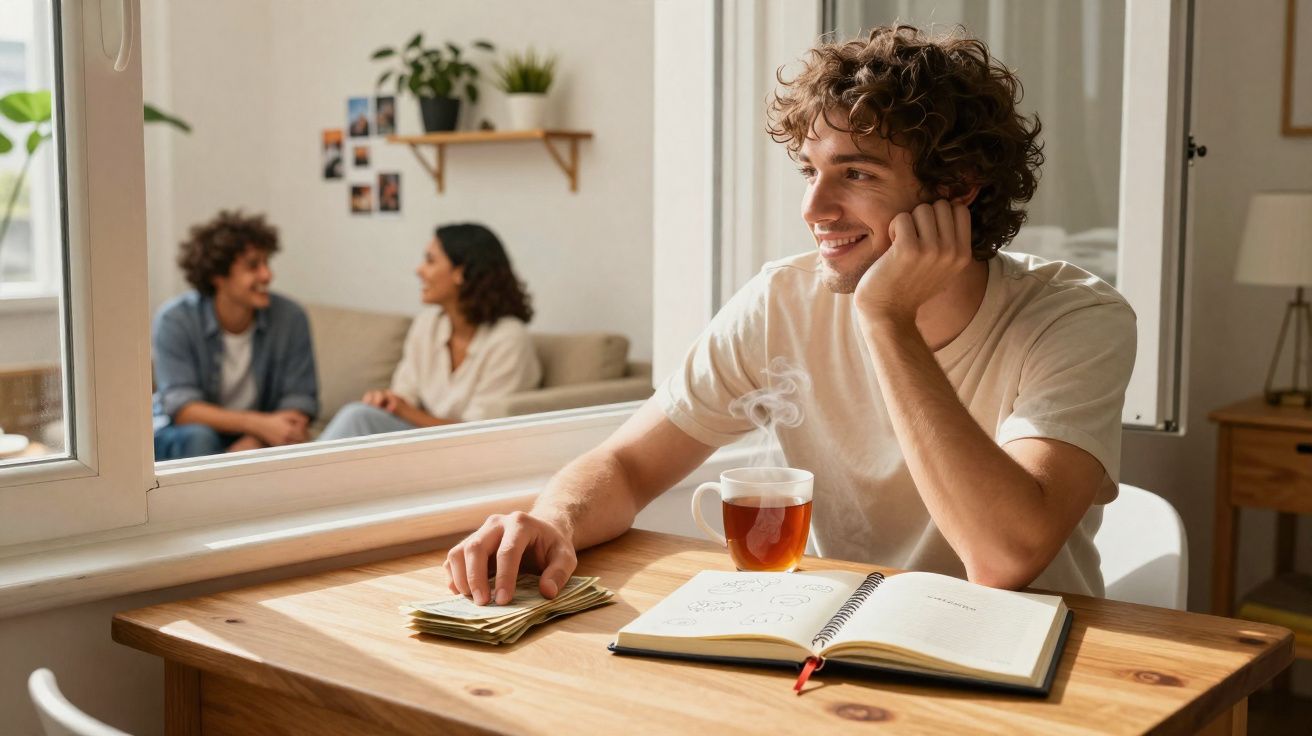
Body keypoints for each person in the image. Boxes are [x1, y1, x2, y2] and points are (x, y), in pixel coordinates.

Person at [445, 25, 1138, 606]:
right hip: (846, 641)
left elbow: (1003, 558)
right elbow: (626, 465)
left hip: (1035, 663)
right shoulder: (782, 301)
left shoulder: (1075, 319)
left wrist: (885, 320)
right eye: (810, 171)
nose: (814, 209)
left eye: (856, 173)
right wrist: (552, 521)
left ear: (956, 188)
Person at [318, 223, 542, 439]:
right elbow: (406, 394)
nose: (419, 270)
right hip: (424, 440)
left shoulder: (508, 339)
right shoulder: (427, 324)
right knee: (361, 415)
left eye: (430, 261)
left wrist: (406, 412)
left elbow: (479, 433)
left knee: (356, 416)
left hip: (472, 451)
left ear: (461, 272)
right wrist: (388, 401)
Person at [152, 211, 319, 460]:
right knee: (200, 437)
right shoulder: (176, 319)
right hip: (182, 435)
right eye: (253, 266)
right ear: (218, 276)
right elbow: (183, 408)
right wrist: (258, 425)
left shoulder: (291, 317)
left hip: (258, 433)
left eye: (267, 263)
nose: (267, 275)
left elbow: (300, 399)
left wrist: (258, 438)